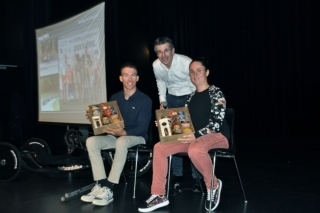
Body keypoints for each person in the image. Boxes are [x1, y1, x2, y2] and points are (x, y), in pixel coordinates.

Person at [138, 57, 230, 212]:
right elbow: (184, 124)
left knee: (195, 149)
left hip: (218, 136)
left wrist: (195, 135)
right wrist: (165, 124)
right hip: (195, 138)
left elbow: (215, 124)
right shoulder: (191, 97)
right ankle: (158, 194)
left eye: (199, 70)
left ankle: (213, 185)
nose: (195, 74)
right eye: (192, 72)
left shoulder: (216, 92)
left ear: (207, 72)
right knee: (160, 147)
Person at [81, 63, 152, 206]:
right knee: (91, 141)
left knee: (122, 141)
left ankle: (109, 188)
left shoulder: (145, 100)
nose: (129, 78)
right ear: (121, 78)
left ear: (137, 78)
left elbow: (142, 127)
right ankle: (100, 184)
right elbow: (108, 123)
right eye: (126, 75)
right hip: (118, 136)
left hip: (138, 137)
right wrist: (95, 119)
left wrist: (124, 132)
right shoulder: (115, 98)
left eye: (133, 75)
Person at [152, 36, 198, 189]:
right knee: (172, 137)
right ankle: (177, 174)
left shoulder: (186, 62)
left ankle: (196, 177)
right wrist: (163, 102)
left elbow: (195, 82)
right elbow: (161, 82)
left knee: (190, 137)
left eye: (166, 51)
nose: (163, 55)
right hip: (171, 98)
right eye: (159, 52)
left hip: (188, 95)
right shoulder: (156, 65)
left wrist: (189, 105)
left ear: (172, 50)